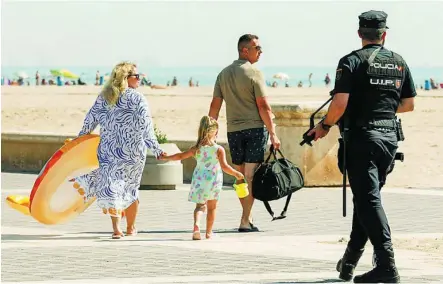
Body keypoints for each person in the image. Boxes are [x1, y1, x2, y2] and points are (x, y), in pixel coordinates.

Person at [308, 11, 416, 283]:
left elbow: (340, 104)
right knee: (366, 200)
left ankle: (387, 265)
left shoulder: (351, 61)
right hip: (389, 139)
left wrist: (324, 126)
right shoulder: (399, 62)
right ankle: (349, 262)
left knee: (368, 200)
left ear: (359, 33)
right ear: (384, 34)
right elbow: (408, 105)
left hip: (362, 138)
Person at [70, 62, 166, 239]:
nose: (139, 79)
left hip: (109, 150)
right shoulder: (138, 98)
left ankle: (117, 229)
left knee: (112, 185)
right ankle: (131, 228)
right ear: (126, 78)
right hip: (133, 153)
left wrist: (78, 140)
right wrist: (156, 149)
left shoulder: (104, 97)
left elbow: (89, 121)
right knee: (130, 188)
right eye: (136, 76)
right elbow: (147, 128)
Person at [208, 34, 281, 232]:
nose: (261, 51)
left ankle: (246, 217)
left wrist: (209, 132)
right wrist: (273, 134)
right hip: (255, 129)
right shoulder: (254, 73)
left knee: (240, 176)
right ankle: (245, 219)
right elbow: (263, 106)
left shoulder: (223, 74)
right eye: (257, 48)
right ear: (244, 50)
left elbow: (215, 106)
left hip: (234, 131)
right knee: (249, 176)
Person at [160, 116, 244, 240]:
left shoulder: (196, 149)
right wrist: (237, 174)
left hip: (199, 180)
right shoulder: (218, 150)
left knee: (200, 206)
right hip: (214, 180)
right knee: (212, 207)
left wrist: (166, 157)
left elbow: (180, 156)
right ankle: (209, 233)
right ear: (214, 132)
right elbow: (225, 167)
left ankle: (197, 227)